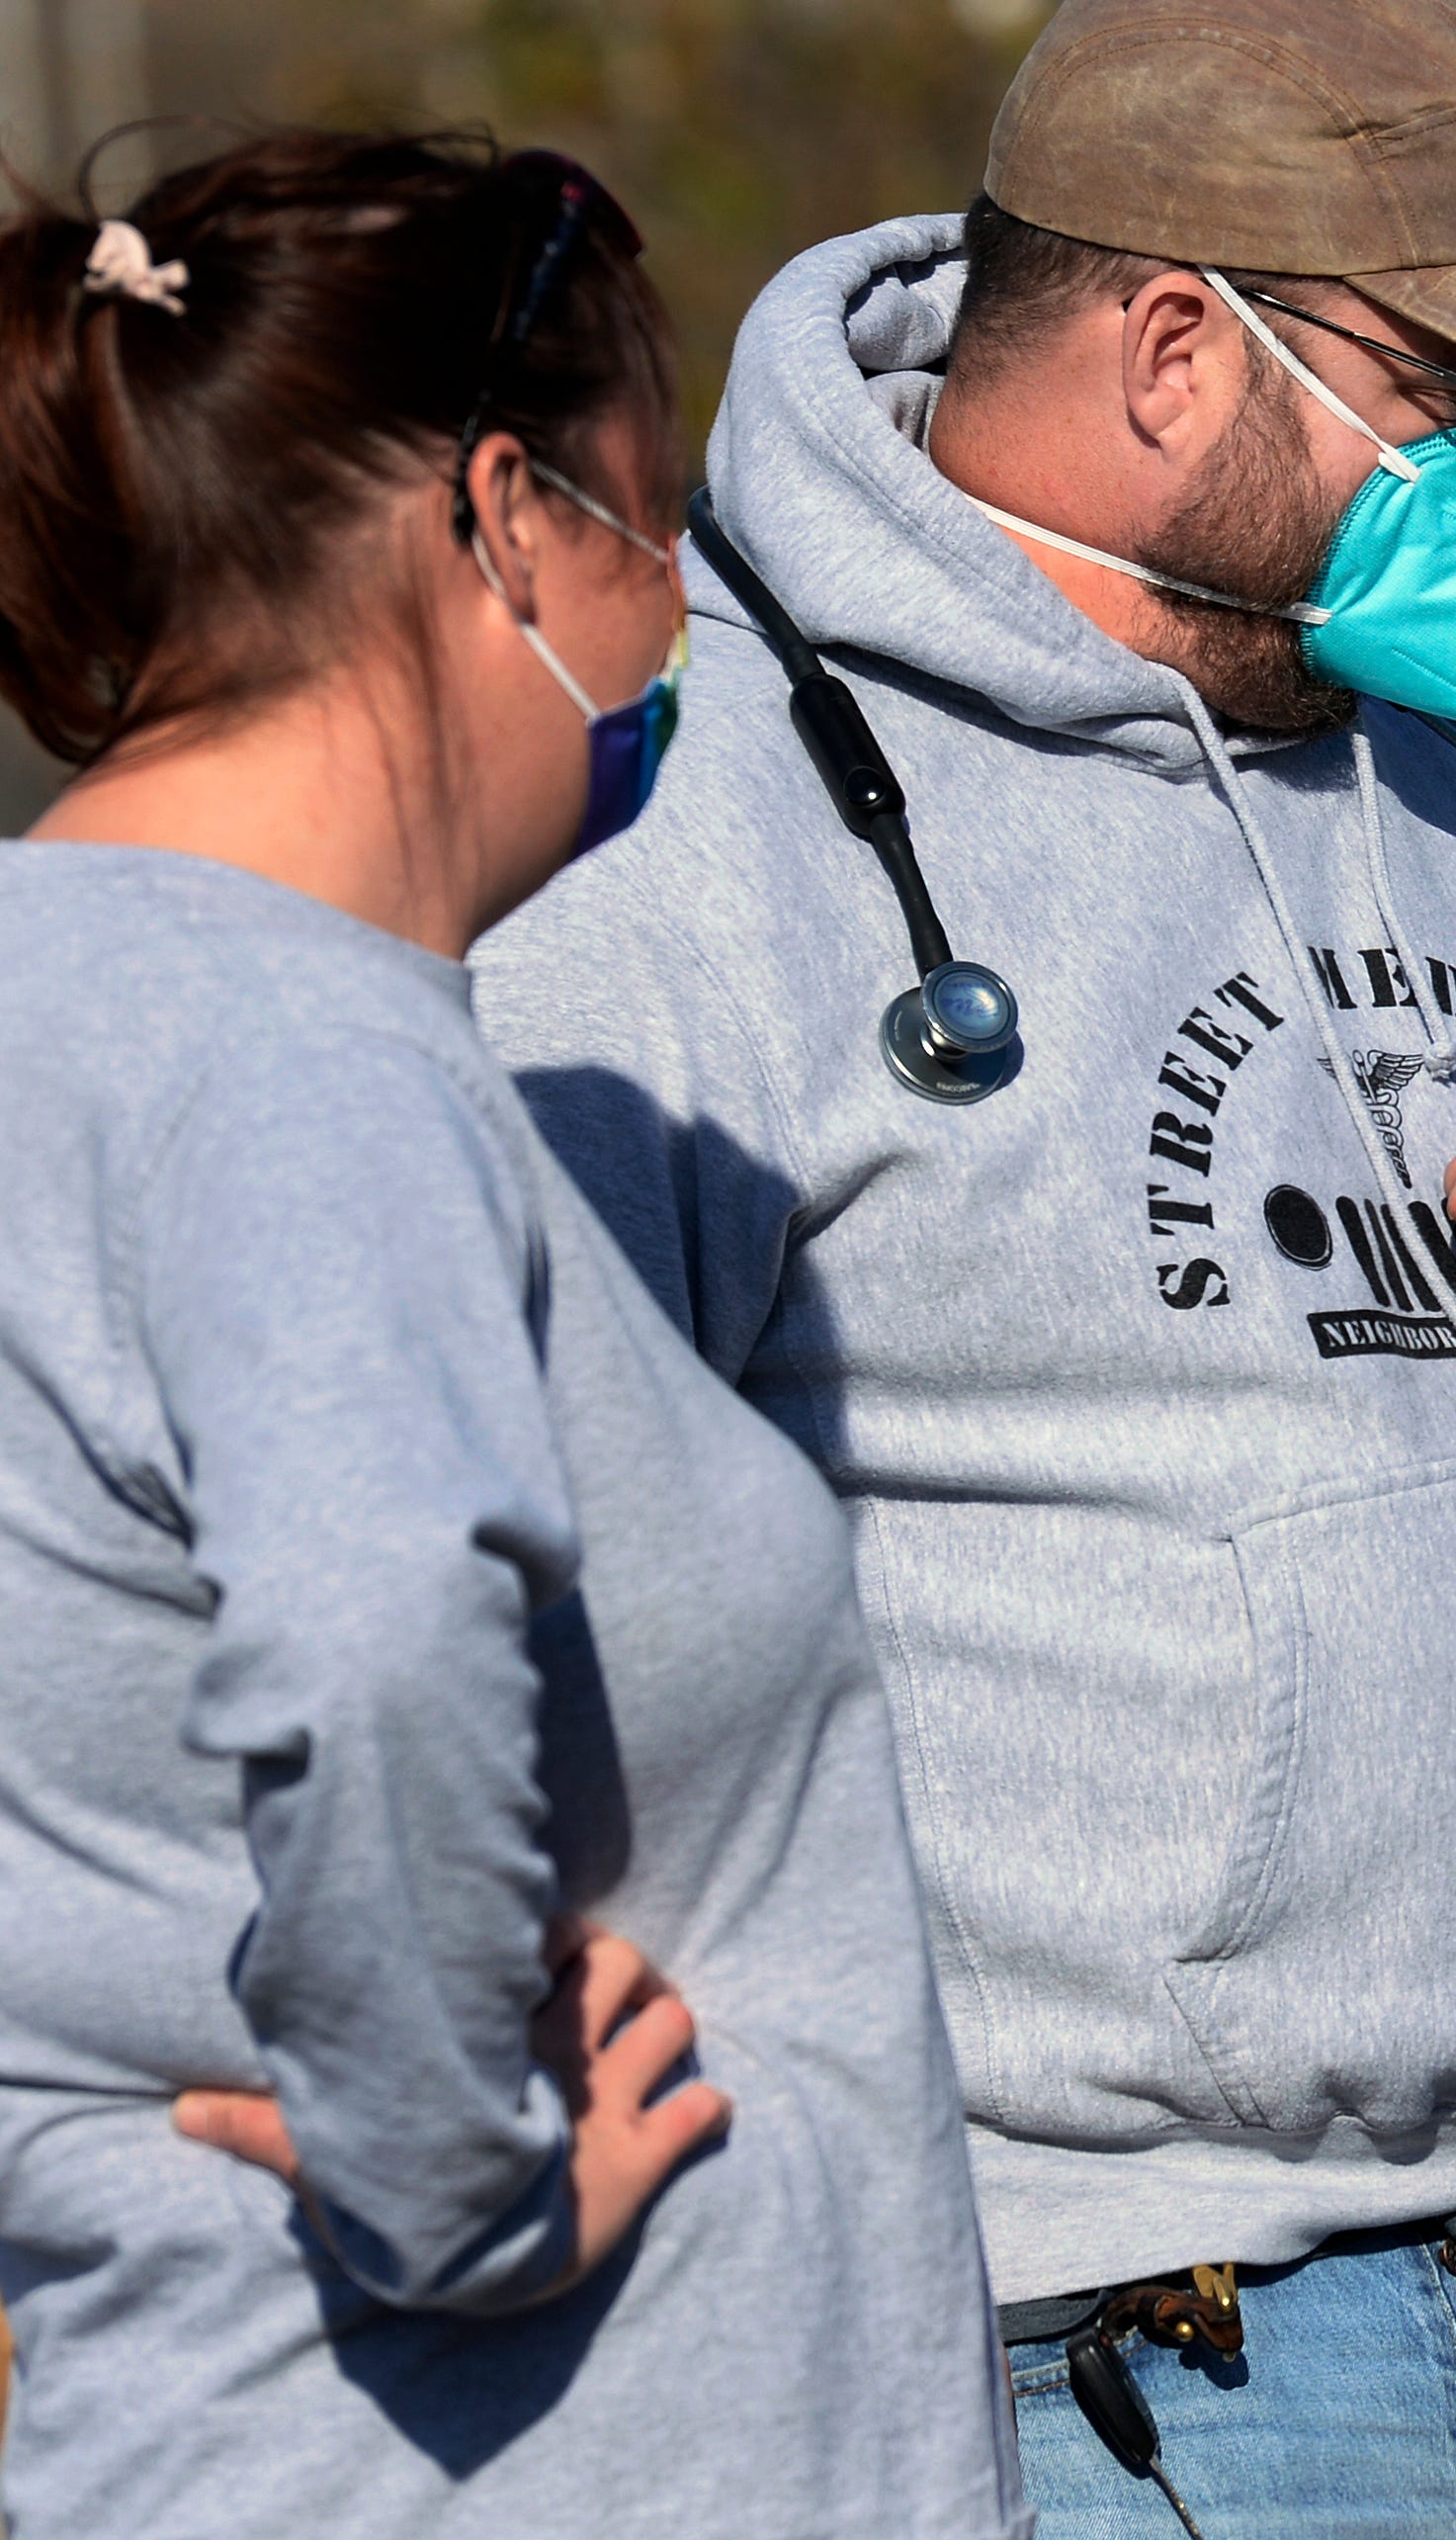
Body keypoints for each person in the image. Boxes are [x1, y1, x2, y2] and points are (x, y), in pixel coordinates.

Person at [468, 1, 1456, 2527]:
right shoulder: (697, 830)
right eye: (1453, 396)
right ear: (1170, 348)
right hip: (1113, 2369)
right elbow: (504, 1554)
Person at [0, 132, 1023, 2537]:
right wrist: (448, 2179)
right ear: (500, 519)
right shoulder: (297, 1051)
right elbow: (370, 1638)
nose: (674, 614)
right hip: (535, 2455)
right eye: (648, 528)